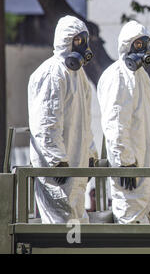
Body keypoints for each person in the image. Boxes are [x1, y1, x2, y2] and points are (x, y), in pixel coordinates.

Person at [97, 20, 150, 224]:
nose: (144, 50)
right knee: (131, 228)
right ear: (127, 45)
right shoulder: (117, 76)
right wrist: (124, 163)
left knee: (149, 228)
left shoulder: (141, 77)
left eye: (146, 44)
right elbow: (114, 124)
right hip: (130, 174)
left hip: (146, 171)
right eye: (139, 45)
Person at [28, 15, 97, 224]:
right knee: (61, 228)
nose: (83, 46)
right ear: (65, 40)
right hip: (58, 170)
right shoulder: (51, 73)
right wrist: (56, 160)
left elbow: (85, 122)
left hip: (75, 165)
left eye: (84, 40)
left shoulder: (79, 75)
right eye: (78, 40)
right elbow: (45, 122)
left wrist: (90, 154)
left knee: (77, 224)